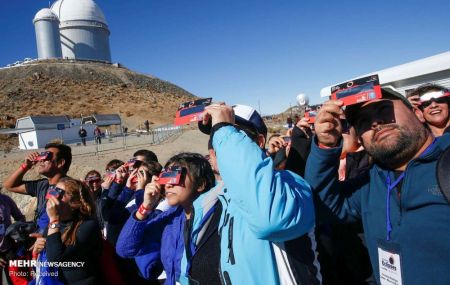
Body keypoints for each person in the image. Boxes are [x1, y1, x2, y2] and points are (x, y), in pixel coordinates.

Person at [305, 87, 450, 285]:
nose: (375, 122)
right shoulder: (371, 181)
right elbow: (323, 205)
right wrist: (327, 146)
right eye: (363, 122)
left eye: (384, 111)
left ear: (417, 113)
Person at [201, 103, 318, 284]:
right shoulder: (223, 196)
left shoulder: (290, 182)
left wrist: (225, 130)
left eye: (234, 133)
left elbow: (270, 219)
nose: (220, 142)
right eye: (216, 135)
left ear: (260, 142)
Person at [116, 153, 221, 284]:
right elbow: (125, 249)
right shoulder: (170, 218)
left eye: (175, 176)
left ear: (200, 184)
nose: (168, 185)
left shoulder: (220, 217)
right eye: (166, 177)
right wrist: (145, 207)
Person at [31, 177, 103, 284]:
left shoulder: (88, 226)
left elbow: (56, 261)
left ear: (75, 202)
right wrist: (36, 253)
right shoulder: (54, 226)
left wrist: (53, 220)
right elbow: (44, 268)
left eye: (59, 193)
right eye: (53, 191)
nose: (53, 196)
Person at [3, 143, 72, 232]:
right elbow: (9, 185)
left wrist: (45, 236)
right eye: (41, 156)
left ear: (60, 163)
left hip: (56, 237)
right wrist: (26, 166)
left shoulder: (71, 187)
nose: (41, 160)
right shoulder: (42, 185)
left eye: (47, 156)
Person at [0, 192, 25, 284]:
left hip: (10, 248)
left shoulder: (5, 199)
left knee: (16, 280)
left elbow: (20, 217)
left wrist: (18, 233)